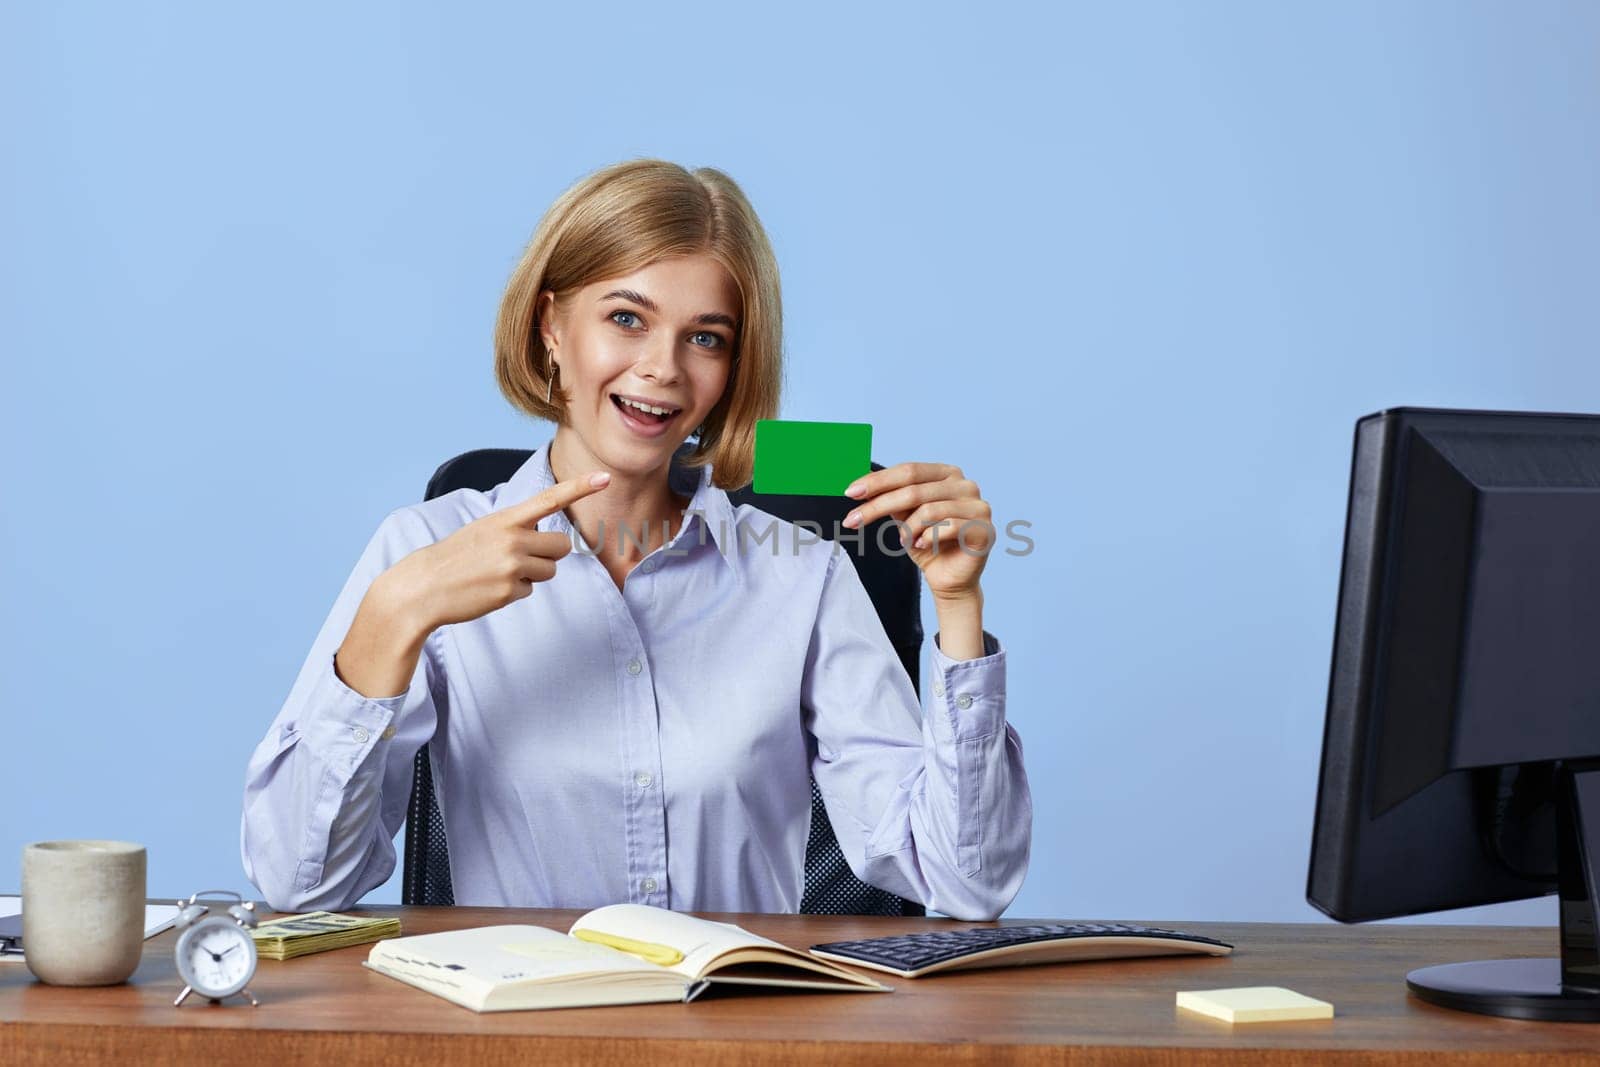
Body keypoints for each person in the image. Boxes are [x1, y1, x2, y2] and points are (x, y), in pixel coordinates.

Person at [240, 159, 1031, 920]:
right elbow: (297, 884)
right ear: (551, 324)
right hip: (521, 1034)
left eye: (706, 338)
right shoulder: (426, 544)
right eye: (627, 318)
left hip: (737, 1036)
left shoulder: (805, 570)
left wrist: (958, 607)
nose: (663, 369)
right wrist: (392, 617)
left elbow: (967, 882)